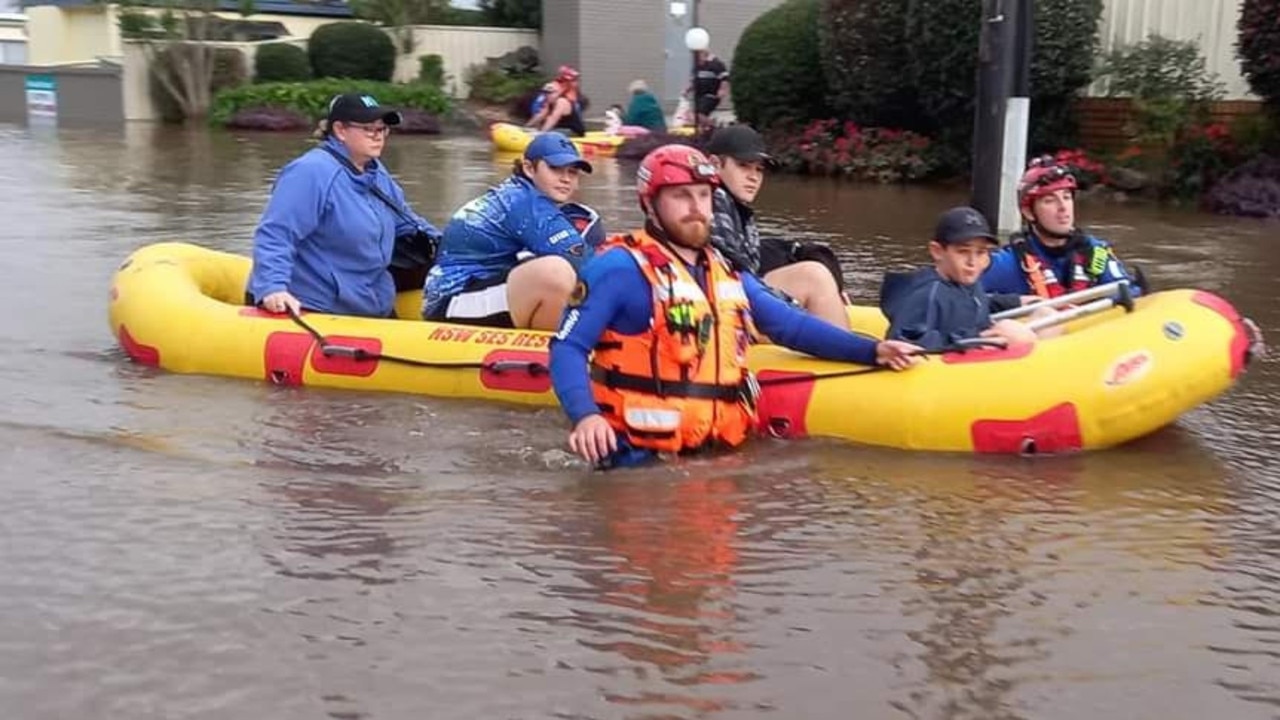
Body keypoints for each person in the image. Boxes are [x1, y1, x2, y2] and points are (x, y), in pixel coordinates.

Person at [549, 145, 922, 468]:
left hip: (717, 450)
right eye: (681, 196)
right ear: (650, 203)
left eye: (703, 196)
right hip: (637, 458)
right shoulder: (618, 268)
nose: (696, 208)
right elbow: (568, 346)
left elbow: (790, 327)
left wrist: (872, 350)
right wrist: (585, 417)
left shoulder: (725, 271)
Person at [247, 93, 441, 318]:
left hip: (367, 299)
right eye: (369, 129)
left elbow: (405, 221)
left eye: (382, 130)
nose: (378, 137)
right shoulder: (310, 172)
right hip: (318, 304)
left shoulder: (375, 171)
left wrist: (450, 245)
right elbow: (276, 234)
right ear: (340, 130)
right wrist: (273, 288)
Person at [422, 133, 596, 329]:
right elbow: (581, 261)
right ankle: (559, 349)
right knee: (556, 272)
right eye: (555, 168)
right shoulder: (523, 202)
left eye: (572, 172)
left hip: (479, 288)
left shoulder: (520, 193)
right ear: (529, 169)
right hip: (451, 302)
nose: (565, 179)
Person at [705, 124, 852, 329]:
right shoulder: (713, 200)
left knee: (813, 271)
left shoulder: (734, 206)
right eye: (743, 166)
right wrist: (791, 306)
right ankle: (846, 349)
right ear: (714, 164)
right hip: (721, 310)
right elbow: (735, 273)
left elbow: (749, 265)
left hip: (730, 300)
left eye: (758, 169)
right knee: (813, 276)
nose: (753, 176)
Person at [880, 206, 1039, 352]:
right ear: (937, 251)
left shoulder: (966, 282)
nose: (972, 262)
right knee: (1014, 332)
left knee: (1042, 313)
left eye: (981, 252)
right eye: (963, 252)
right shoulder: (926, 296)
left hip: (968, 353)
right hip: (942, 372)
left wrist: (1017, 301)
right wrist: (976, 340)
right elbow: (907, 345)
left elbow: (977, 301)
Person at [983, 156, 1142, 298]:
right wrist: (1012, 303)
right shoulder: (1007, 264)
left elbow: (1130, 293)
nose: (1063, 207)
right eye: (1049, 200)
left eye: (1066, 197)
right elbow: (966, 300)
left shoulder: (1095, 253)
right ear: (1028, 212)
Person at [526, 65, 586, 136]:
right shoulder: (549, 103)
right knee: (541, 130)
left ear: (559, 91)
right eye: (546, 93)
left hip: (573, 131)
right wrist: (526, 127)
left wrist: (542, 133)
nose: (548, 95)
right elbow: (540, 115)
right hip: (561, 129)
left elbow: (553, 118)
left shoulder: (562, 101)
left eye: (551, 93)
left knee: (550, 132)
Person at [688, 49, 730, 125]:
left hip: (711, 95)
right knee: (694, 117)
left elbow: (725, 78)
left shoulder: (716, 64)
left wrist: (722, 89)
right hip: (699, 95)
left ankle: (712, 125)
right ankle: (709, 127)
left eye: (697, 54)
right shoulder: (697, 66)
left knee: (699, 115)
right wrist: (687, 90)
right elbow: (694, 81)